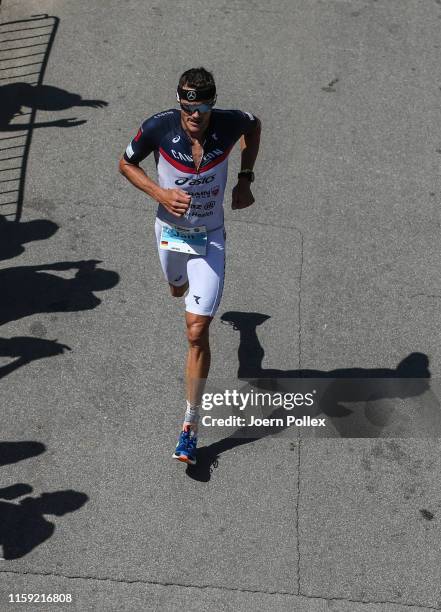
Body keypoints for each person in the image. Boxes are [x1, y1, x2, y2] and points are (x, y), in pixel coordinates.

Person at [119, 67, 261, 466]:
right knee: (176, 289)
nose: (196, 114)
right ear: (179, 101)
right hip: (171, 234)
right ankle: (195, 294)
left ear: (213, 101)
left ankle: (190, 426)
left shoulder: (230, 123)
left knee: (196, 330)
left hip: (210, 235)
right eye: (188, 105)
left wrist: (246, 178)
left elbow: (256, 126)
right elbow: (125, 164)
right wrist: (160, 193)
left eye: (204, 105)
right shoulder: (160, 128)